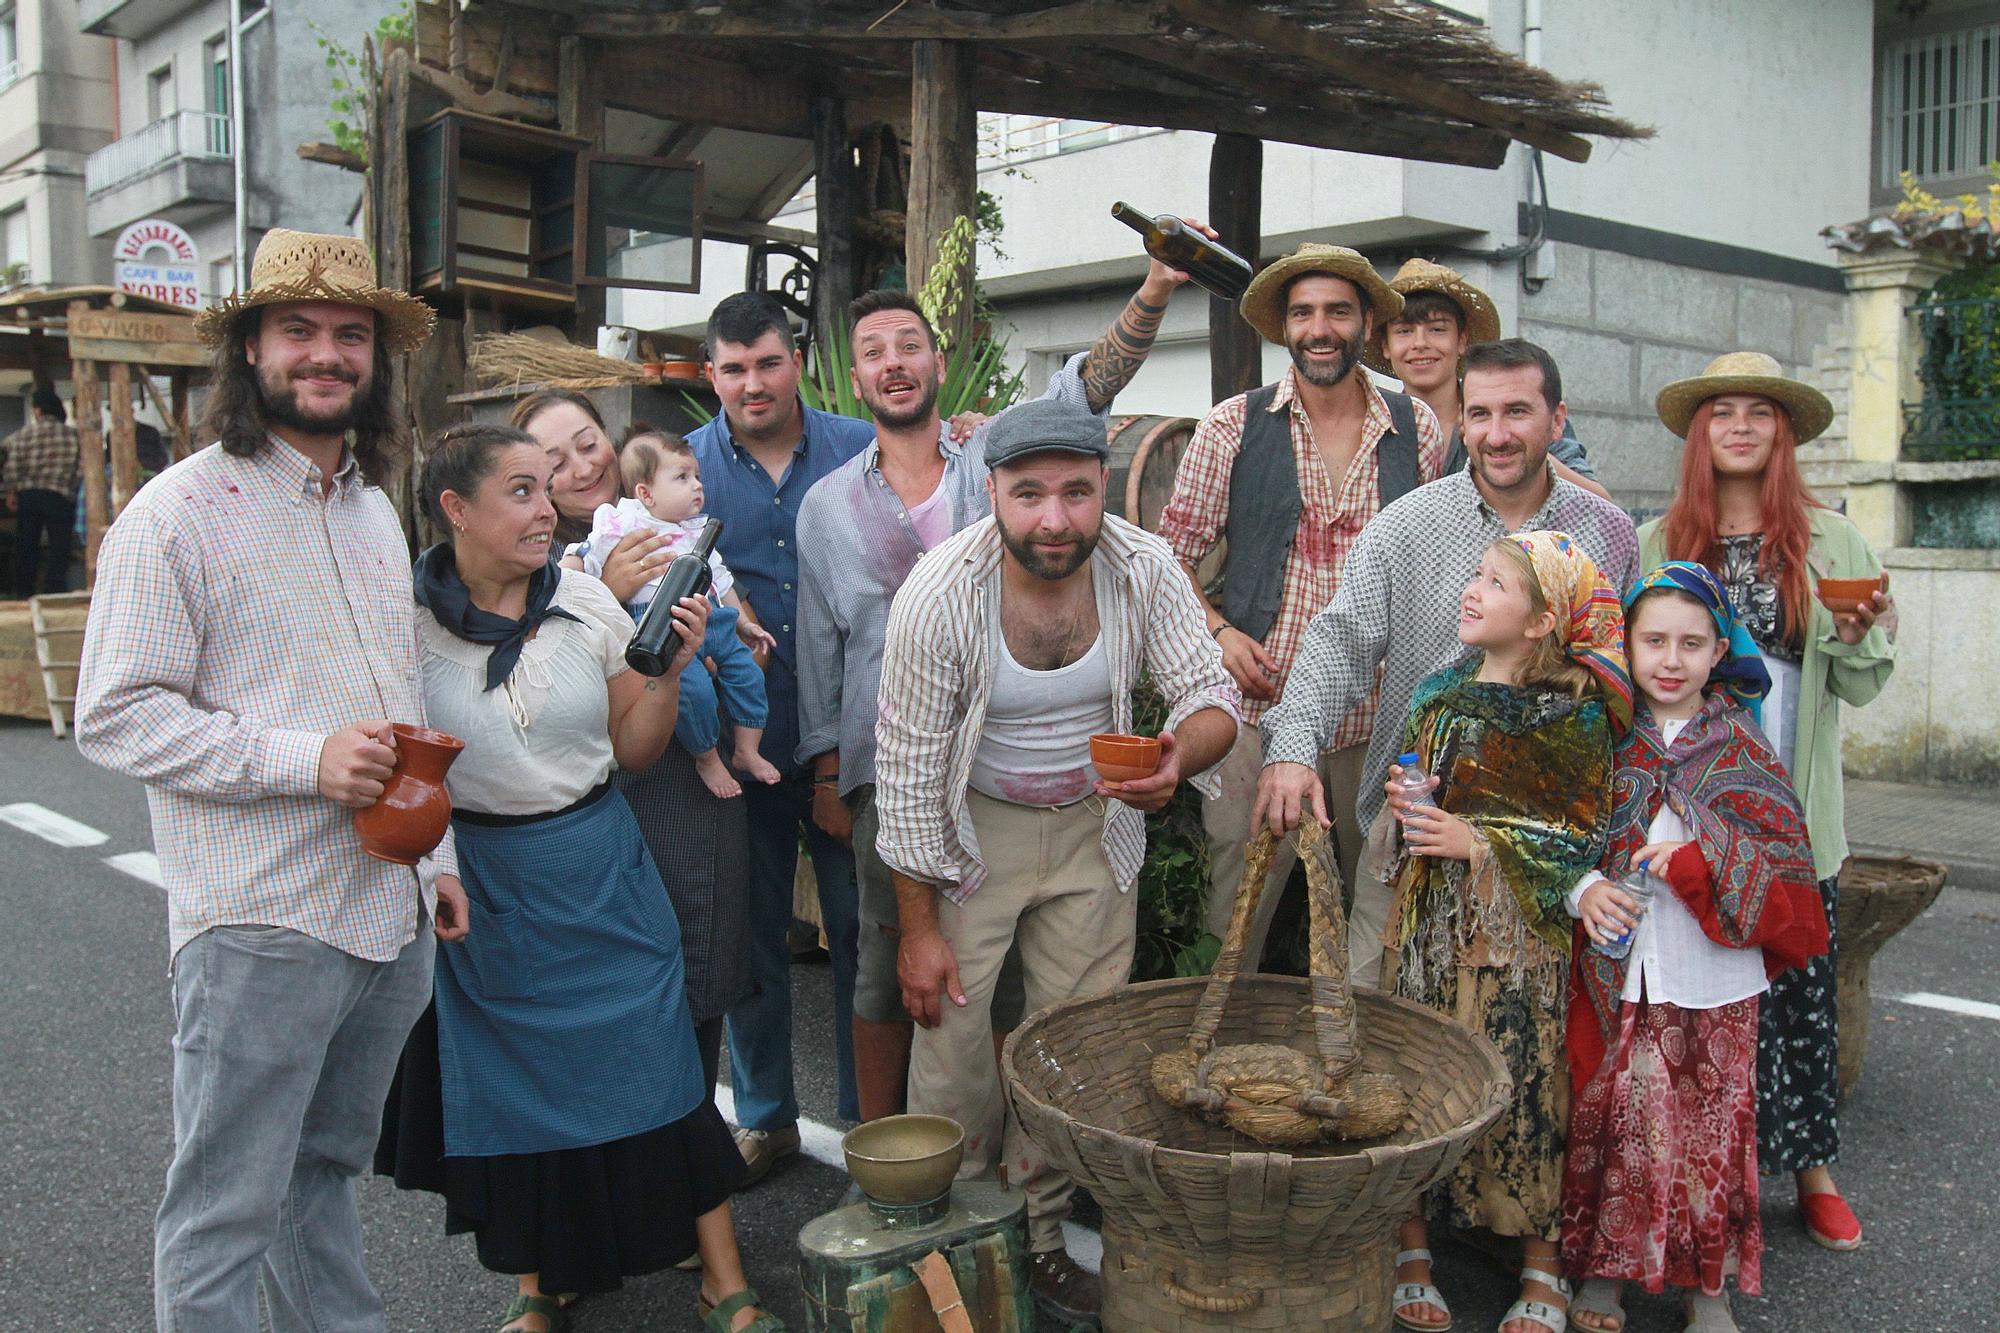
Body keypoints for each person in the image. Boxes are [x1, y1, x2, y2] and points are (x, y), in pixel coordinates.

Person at [72, 227, 469, 1331]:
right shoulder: (178, 514)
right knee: (221, 1209)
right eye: (298, 330)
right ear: (249, 349)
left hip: (382, 907)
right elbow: (113, 713)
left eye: (350, 335)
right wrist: (308, 760)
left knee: (320, 1173)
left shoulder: (368, 511)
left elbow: (401, 697)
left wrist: (436, 852)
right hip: (258, 919)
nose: (326, 354)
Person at [375, 422, 782, 1333]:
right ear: (455, 509)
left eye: (545, 489)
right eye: (521, 491)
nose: (547, 509)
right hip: (488, 880)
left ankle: (724, 1277)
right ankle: (537, 1289)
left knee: (660, 1062)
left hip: (602, 864)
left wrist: (672, 671)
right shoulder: (399, 627)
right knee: (516, 1079)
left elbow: (633, 750)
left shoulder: (591, 604)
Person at [798, 239, 1207, 1126]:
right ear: (853, 377)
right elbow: (821, 647)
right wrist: (827, 769)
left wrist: (1152, 291)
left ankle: (1034, 1183)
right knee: (898, 968)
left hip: (1055, 778)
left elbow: (1089, 389)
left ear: (939, 363)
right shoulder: (831, 503)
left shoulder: (1001, 453)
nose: (893, 364)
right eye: (872, 352)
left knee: (1029, 997)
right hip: (901, 763)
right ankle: (893, 1157)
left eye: (909, 345)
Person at [874, 399, 1239, 1324]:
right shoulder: (938, 592)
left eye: (1076, 492)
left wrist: (1174, 760)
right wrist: (917, 930)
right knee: (954, 1051)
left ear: (1102, 489)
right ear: (990, 489)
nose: (1053, 518)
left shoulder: (1140, 564)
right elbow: (910, 776)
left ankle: (1035, 1239)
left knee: (1067, 1047)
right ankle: (947, 1252)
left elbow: (1211, 695)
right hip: (971, 832)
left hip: (1095, 821)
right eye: (1028, 492)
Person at [1253, 339, 1638, 982]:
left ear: (1558, 420)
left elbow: (1623, 679)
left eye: (1518, 412)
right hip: (1409, 834)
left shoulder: (1607, 533)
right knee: (1374, 1021)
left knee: (1512, 1039)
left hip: (1541, 848)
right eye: (1480, 414)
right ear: (1460, 420)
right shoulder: (1406, 525)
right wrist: (1292, 747)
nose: (1497, 434)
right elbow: (1340, 641)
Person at [1643, 351, 1897, 1252]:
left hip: (1793, 805)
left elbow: (1862, 686)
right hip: (1693, 803)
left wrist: (1866, 635)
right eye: (1722, 412)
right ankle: (1707, 1171)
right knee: (1702, 995)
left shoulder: (1832, 542)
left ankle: (1814, 1170)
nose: (1741, 426)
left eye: (1760, 412)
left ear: (1782, 434)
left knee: (1798, 994)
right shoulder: (1663, 539)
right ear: (1700, 435)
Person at [1155, 242, 1449, 976]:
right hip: (1261, 712)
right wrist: (1219, 631)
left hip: (1382, 719)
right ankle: (1220, 1067)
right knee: (1237, 915)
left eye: (1338, 311)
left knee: (1383, 916)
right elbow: (1169, 560)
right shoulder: (1233, 426)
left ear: (1367, 323)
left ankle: (1362, 1074)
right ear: (1284, 326)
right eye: (1303, 312)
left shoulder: (1420, 431)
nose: (1320, 328)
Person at [1562, 563, 1830, 1333]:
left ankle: (1706, 1286)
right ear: (1629, 646)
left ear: (1721, 651)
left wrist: (1694, 861)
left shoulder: (1743, 747)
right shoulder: (1606, 736)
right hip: (1625, 968)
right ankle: (1604, 1274)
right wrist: (1586, 885)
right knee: (1617, 1120)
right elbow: (1571, 832)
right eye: (1654, 641)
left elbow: (1780, 863)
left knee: (1711, 1131)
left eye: (1691, 642)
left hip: (1715, 978)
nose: (1671, 659)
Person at [1381, 530, 1628, 1333]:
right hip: (1429, 935)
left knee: (1526, 1087)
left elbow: (1577, 831)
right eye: (1477, 573)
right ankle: (1411, 1249)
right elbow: (1422, 784)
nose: (1473, 588)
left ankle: (1542, 1265)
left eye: (1497, 582)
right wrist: (1406, 804)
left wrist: (1479, 841)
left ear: (1542, 620)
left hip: (1516, 950)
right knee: (1415, 1082)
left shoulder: (1575, 717)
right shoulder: (1438, 695)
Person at [513, 385, 756, 1119]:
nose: (581, 466)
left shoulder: (668, 522)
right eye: (553, 461)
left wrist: (730, 640)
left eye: (588, 442)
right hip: (591, 793)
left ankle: (693, 1162)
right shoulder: (528, 555)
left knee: (697, 965)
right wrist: (603, 592)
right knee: (609, 992)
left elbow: (727, 624)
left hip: (686, 778)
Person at [570, 425, 782, 799]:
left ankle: (748, 749)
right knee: (692, 689)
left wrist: (745, 625)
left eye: (697, 476)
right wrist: (578, 569)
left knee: (748, 674)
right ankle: (708, 756)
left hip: (713, 620)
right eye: (682, 477)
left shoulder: (697, 530)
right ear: (645, 493)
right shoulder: (625, 522)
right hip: (660, 624)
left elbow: (723, 581)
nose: (697, 485)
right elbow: (586, 557)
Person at [1365, 257, 1609, 497]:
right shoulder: (1372, 425)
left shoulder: (1527, 415)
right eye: (1404, 332)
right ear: (1386, 346)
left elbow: (1599, 503)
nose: (1420, 344)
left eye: (1437, 329)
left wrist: (1522, 448)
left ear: (1461, 340)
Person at [2, 386, 80, 596]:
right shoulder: (73, 435)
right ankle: (55, 590)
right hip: (59, 495)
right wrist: (71, 489)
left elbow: (12, 465)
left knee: (26, 545)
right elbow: (81, 470)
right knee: (59, 546)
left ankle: (24, 592)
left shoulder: (23, 434)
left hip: (29, 496)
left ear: (38, 411)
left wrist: (11, 492)